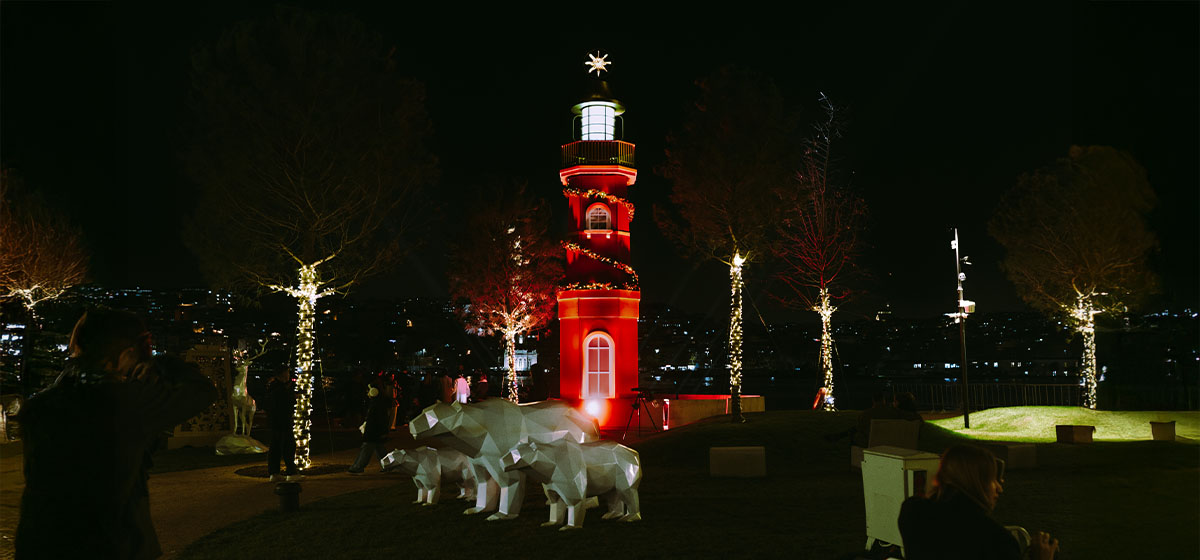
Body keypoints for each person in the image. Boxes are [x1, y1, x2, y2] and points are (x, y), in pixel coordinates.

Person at [16, 309, 217, 559]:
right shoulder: (127, 403)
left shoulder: (41, 406)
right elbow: (202, 391)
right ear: (128, 354)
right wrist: (161, 363)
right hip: (111, 545)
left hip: (40, 542)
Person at [898, 444, 1060, 560]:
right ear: (977, 482)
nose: (999, 489)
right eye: (993, 480)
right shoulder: (995, 541)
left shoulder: (913, 513)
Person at [264, 370, 300, 483]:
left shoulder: (272, 387)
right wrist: (294, 397)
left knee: (275, 447)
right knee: (288, 446)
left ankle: (274, 473)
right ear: (283, 375)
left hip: (274, 422)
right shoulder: (280, 390)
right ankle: (291, 472)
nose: (289, 376)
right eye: (287, 373)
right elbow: (286, 404)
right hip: (283, 422)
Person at [347, 384, 391, 474]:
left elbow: (376, 420)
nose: (367, 393)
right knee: (380, 450)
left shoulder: (376, 405)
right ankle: (389, 466)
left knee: (366, 449)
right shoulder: (377, 404)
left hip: (373, 432)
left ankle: (358, 467)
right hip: (376, 431)